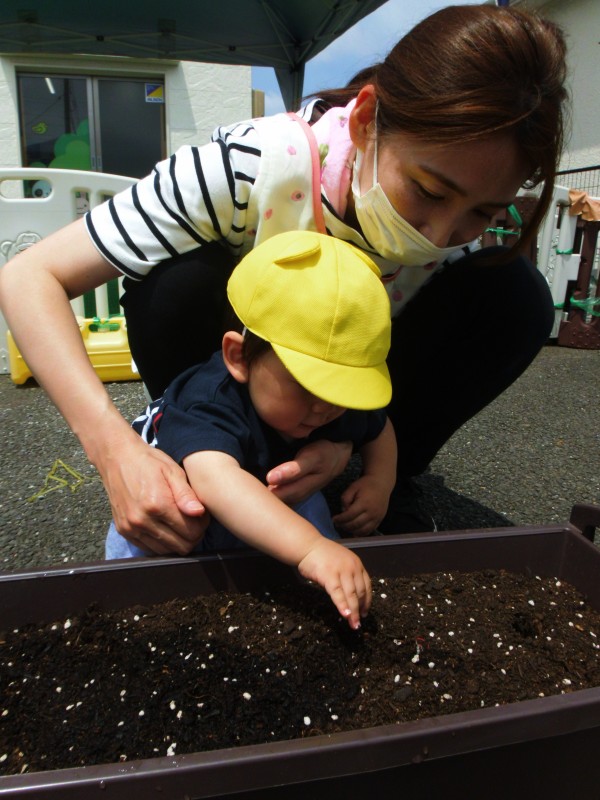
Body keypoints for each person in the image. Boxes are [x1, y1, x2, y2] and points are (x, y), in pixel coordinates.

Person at [0, 4, 569, 557]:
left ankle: (375, 484)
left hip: (350, 387)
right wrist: (114, 450)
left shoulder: (455, 239)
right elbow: (28, 277)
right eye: (428, 190)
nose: (440, 234)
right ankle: (196, 452)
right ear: (366, 121)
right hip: (234, 393)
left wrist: (349, 445)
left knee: (513, 295)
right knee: (174, 280)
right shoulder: (247, 166)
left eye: (483, 213)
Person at [107, 231, 397, 629]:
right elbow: (217, 482)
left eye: (342, 390)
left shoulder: (326, 404)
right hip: (184, 502)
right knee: (142, 551)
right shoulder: (208, 400)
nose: (325, 407)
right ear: (239, 357)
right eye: (307, 384)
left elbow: (379, 426)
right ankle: (128, 611)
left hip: (265, 492)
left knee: (309, 515)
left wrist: (380, 482)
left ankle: (322, 583)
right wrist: (310, 548)